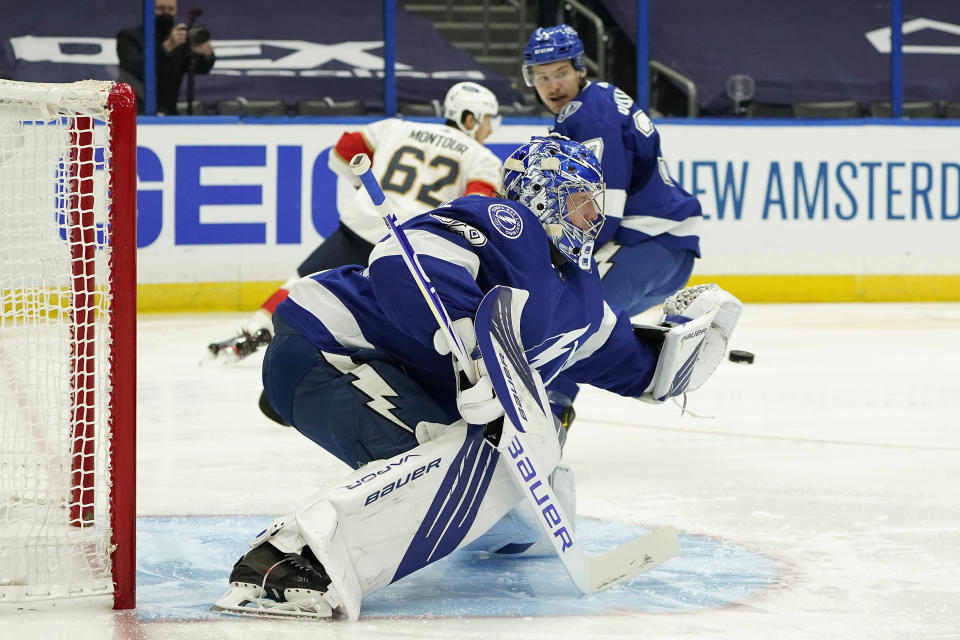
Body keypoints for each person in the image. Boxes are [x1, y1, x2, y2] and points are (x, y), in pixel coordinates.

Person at [212, 134, 742, 620]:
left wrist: (688, 348)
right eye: (582, 201)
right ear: (544, 195)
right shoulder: (508, 224)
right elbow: (400, 261)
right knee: (458, 451)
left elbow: (639, 369)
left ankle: (499, 533)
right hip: (329, 344)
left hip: (380, 371)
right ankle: (286, 560)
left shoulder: (585, 300)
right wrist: (471, 342)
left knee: (507, 463)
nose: (593, 217)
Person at [207, 82, 503, 370]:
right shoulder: (483, 158)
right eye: (488, 120)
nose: (490, 129)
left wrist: (366, 188)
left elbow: (342, 151)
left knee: (299, 285)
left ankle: (251, 331)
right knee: (393, 315)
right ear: (469, 119)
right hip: (408, 244)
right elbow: (474, 207)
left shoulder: (397, 127)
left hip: (361, 225)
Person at [521, 24, 705, 426]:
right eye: (542, 77)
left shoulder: (585, 113)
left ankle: (546, 422)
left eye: (560, 73)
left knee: (569, 324)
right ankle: (674, 336)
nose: (552, 85)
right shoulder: (599, 101)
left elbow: (602, 210)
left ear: (579, 69)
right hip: (663, 250)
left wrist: (556, 261)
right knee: (583, 327)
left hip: (644, 244)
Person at [116, 0, 215, 115]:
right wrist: (166, 47)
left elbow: (201, 68)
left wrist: (207, 53)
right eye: (161, 8)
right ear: (149, 10)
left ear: (176, 10)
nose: (165, 13)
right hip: (135, 113)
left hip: (169, 113)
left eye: (170, 9)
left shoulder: (181, 40)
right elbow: (133, 67)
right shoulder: (129, 37)